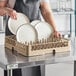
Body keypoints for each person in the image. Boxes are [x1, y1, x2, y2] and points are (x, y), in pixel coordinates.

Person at [0, 0, 61, 76]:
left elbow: (46, 11)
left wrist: (55, 30)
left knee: (36, 66)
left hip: (35, 34)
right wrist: (7, 10)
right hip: (15, 36)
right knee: (16, 68)